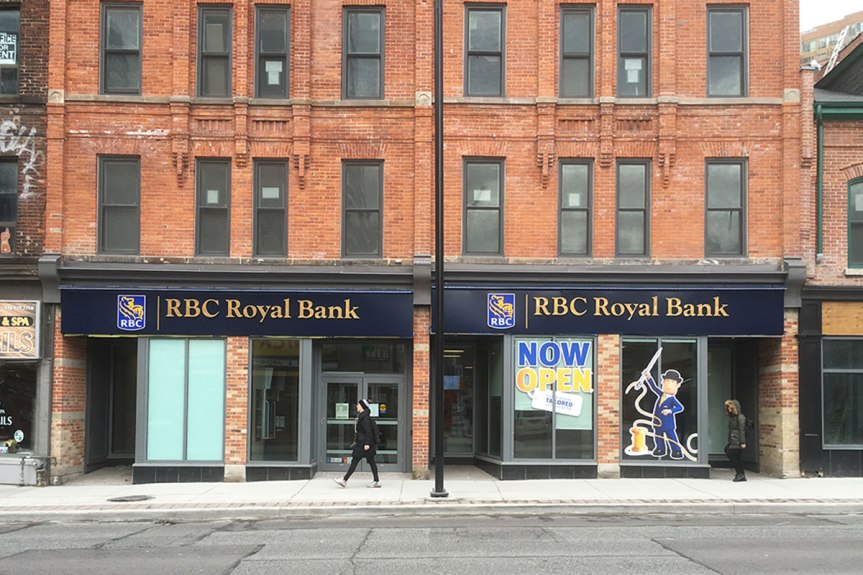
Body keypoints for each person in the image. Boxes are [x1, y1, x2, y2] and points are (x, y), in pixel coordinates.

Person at [334, 399, 381, 488]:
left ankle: (344, 480)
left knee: (355, 460)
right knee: (371, 462)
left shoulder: (365, 418)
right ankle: (376, 481)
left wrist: (367, 444)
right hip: (363, 443)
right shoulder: (363, 416)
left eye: (358, 405)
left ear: (362, 406)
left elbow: (368, 432)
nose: (357, 406)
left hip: (364, 444)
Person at [642, 368, 686, 459]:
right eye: (666, 381)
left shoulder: (672, 399)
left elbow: (680, 407)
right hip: (657, 422)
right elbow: (654, 387)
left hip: (667, 423)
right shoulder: (661, 394)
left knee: (671, 437)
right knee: (658, 436)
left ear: (677, 385)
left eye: (671, 382)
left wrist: (670, 411)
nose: (667, 384)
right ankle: (660, 449)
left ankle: (676, 450)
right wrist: (649, 377)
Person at [724, 399, 748, 482]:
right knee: (737, 457)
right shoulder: (732, 417)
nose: (729, 409)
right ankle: (741, 474)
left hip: (737, 440)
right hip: (733, 439)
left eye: (730, 407)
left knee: (730, 454)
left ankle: (740, 473)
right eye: (728, 408)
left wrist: (742, 442)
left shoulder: (740, 417)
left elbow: (742, 430)